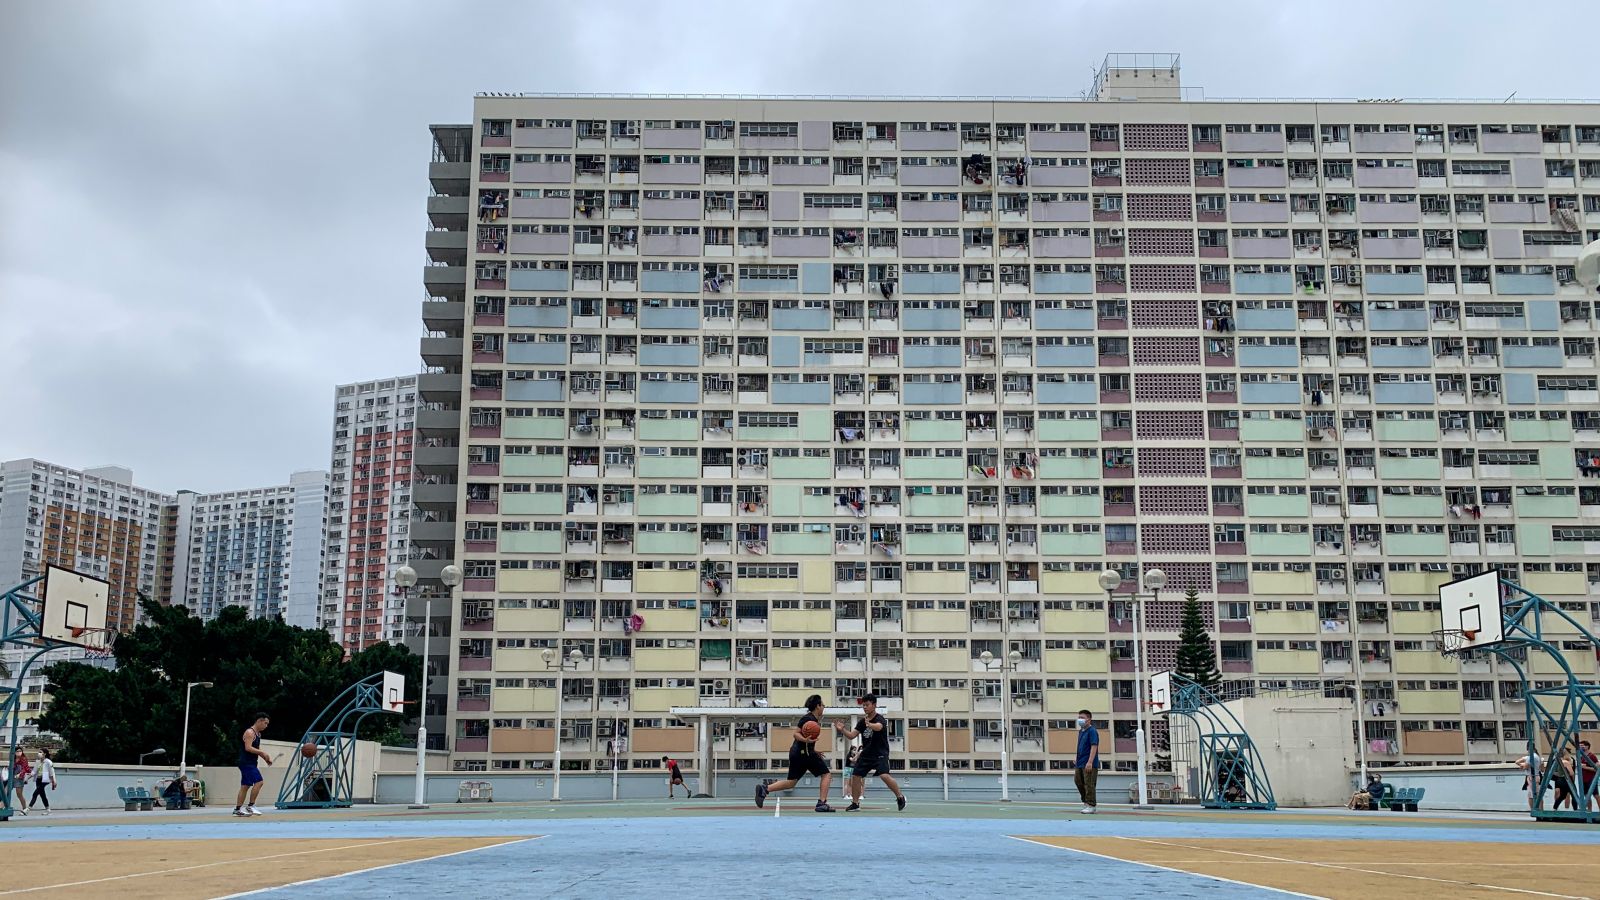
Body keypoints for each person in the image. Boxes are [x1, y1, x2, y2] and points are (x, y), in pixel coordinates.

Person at [755, 694, 835, 813]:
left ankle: (765, 789)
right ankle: (822, 803)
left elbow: (805, 740)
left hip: (798, 752)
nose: (824, 707)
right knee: (826, 775)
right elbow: (796, 734)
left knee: (791, 782)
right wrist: (806, 741)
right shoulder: (809, 719)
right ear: (817, 706)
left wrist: (813, 750)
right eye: (823, 705)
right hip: (803, 753)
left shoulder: (811, 719)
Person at [835, 693, 906, 812]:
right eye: (863, 705)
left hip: (880, 753)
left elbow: (878, 727)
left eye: (867, 705)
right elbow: (852, 736)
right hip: (866, 754)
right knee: (856, 776)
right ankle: (855, 803)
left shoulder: (880, 719)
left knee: (884, 775)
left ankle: (900, 797)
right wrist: (842, 730)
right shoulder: (862, 722)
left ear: (874, 705)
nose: (865, 707)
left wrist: (870, 724)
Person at [234, 713, 274, 817]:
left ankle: (238, 809)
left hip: (251, 763)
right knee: (259, 782)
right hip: (246, 763)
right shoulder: (249, 732)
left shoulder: (258, 734)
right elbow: (248, 747)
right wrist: (262, 753)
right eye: (265, 723)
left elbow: (257, 749)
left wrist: (265, 758)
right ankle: (251, 806)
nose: (266, 726)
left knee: (245, 786)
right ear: (259, 721)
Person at [1074, 709, 1100, 814]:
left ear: (1089, 719)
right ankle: (1085, 801)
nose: (1080, 719)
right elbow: (1080, 747)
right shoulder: (1081, 732)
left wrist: (1090, 762)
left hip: (1089, 763)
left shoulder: (1092, 731)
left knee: (1089, 784)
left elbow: (1094, 746)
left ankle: (1091, 805)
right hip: (1080, 762)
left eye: (1082, 718)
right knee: (1078, 781)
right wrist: (1076, 758)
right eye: (1079, 717)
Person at [28, 749, 56, 815]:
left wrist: (54, 781)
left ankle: (28, 809)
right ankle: (48, 809)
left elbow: (52, 772)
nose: (39, 753)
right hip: (38, 779)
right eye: (39, 752)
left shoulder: (48, 762)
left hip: (45, 780)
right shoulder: (38, 762)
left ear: (45, 754)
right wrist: (27, 778)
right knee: (42, 795)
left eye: (40, 752)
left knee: (35, 793)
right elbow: (34, 771)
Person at [10, 748, 31, 815]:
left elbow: (24, 768)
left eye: (20, 751)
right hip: (12, 777)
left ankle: (24, 809)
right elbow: (11, 767)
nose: (19, 752)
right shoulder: (13, 759)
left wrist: (20, 774)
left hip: (19, 778)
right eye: (17, 751)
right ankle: (2, 806)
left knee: (19, 794)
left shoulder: (23, 759)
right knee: (6, 791)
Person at [1579, 741, 1598, 810]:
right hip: (1583, 779)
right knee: (1587, 796)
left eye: (1582, 746)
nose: (1580, 747)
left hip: (1591, 779)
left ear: (1587, 746)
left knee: (1596, 795)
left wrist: (1585, 767)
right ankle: (1589, 811)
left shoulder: (1592, 756)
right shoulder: (1581, 756)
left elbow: (1596, 769)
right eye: (1579, 746)